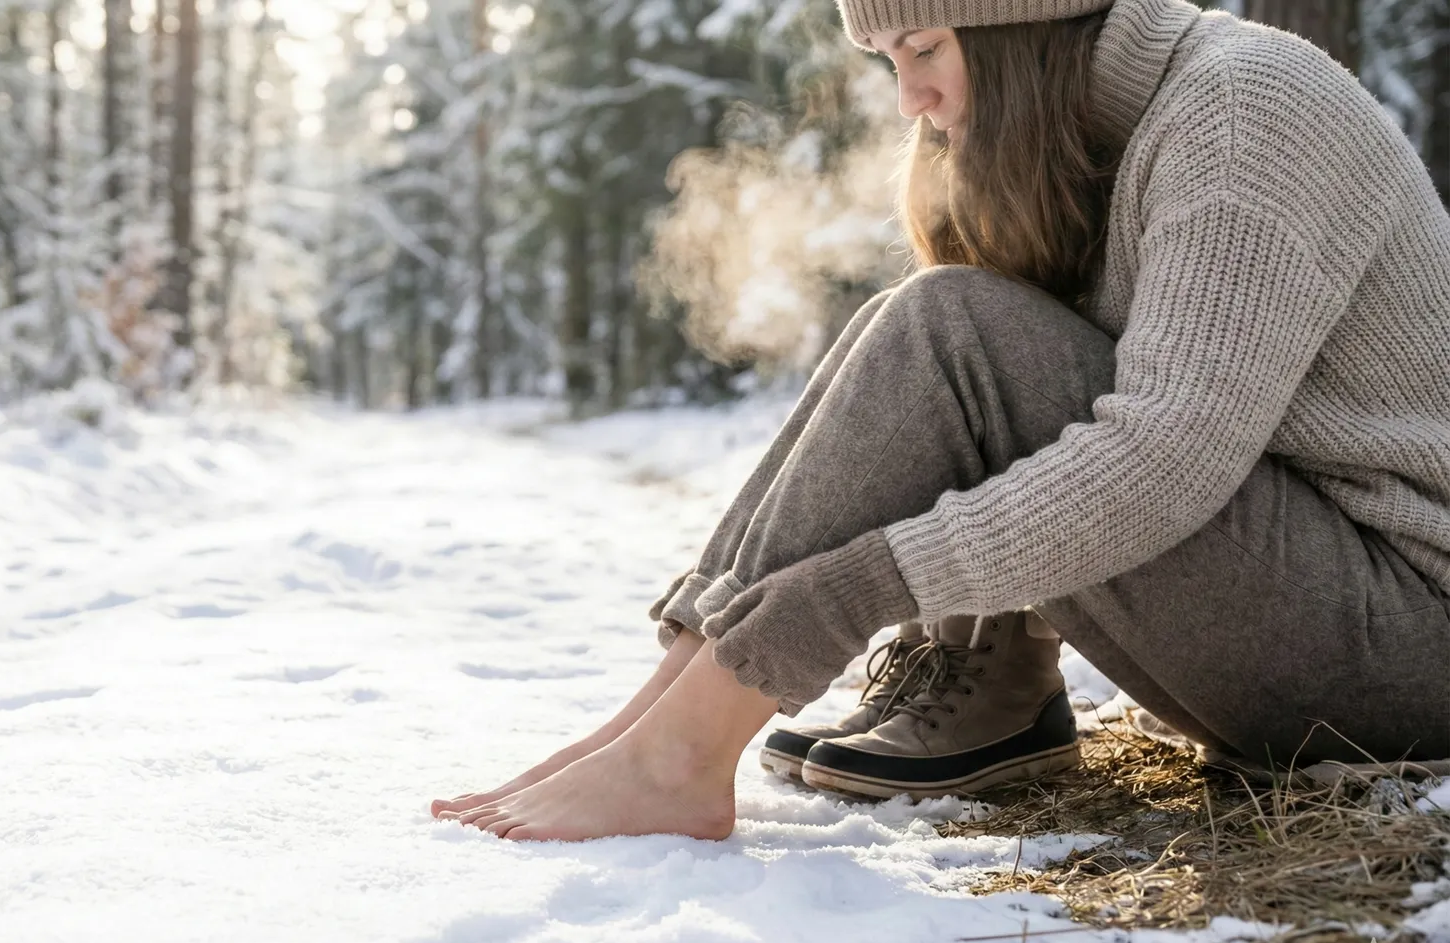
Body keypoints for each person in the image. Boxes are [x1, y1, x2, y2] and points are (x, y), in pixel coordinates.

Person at [430, 0, 1450, 842]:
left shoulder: (1244, 112)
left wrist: (840, 598)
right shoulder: (1104, 124)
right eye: (885, 59)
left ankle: (680, 749)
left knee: (956, 327)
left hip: (1410, 640)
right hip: (1323, 603)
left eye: (925, 49)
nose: (911, 97)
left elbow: (1166, 454)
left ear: (1029, 28)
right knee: (942, 312)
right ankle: (659, 723)